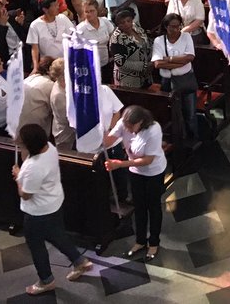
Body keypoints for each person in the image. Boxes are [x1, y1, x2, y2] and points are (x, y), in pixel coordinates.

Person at [12, 123, 93, 295]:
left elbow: (26, 195)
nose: (20, 142)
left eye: (22, 141)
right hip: (54, 202)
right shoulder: (49, 148)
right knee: (56, 234)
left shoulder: (33, 167)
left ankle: (46, 280)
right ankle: (79, 261)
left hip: (38, 212)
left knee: (36, 245)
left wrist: (18, 177)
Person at [103, 105, 167, 260]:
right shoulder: (124, 123)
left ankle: (153, 243)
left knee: (153, 207)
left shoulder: (153, 130)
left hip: (153, 172)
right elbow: (109, 140)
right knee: (139, 206)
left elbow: (147, 160)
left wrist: (120, 164)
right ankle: (140, 240)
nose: (129, 130)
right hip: (136, 172)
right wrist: (101, 134)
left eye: (132, 127)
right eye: (127, 126)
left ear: (141, 122)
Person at [151, 13, 200, 144]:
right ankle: (178, 140)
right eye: (172, 27)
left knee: (190, 113)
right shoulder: (159, 40)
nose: (176, 30)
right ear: (166, 27)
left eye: (178, 26)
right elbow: (158, 63)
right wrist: (180, 62)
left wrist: (169, 59)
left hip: (185, 80)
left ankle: (192, 139)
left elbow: (189, 58)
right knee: (173, 113)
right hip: (167, 82)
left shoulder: (186, 37)